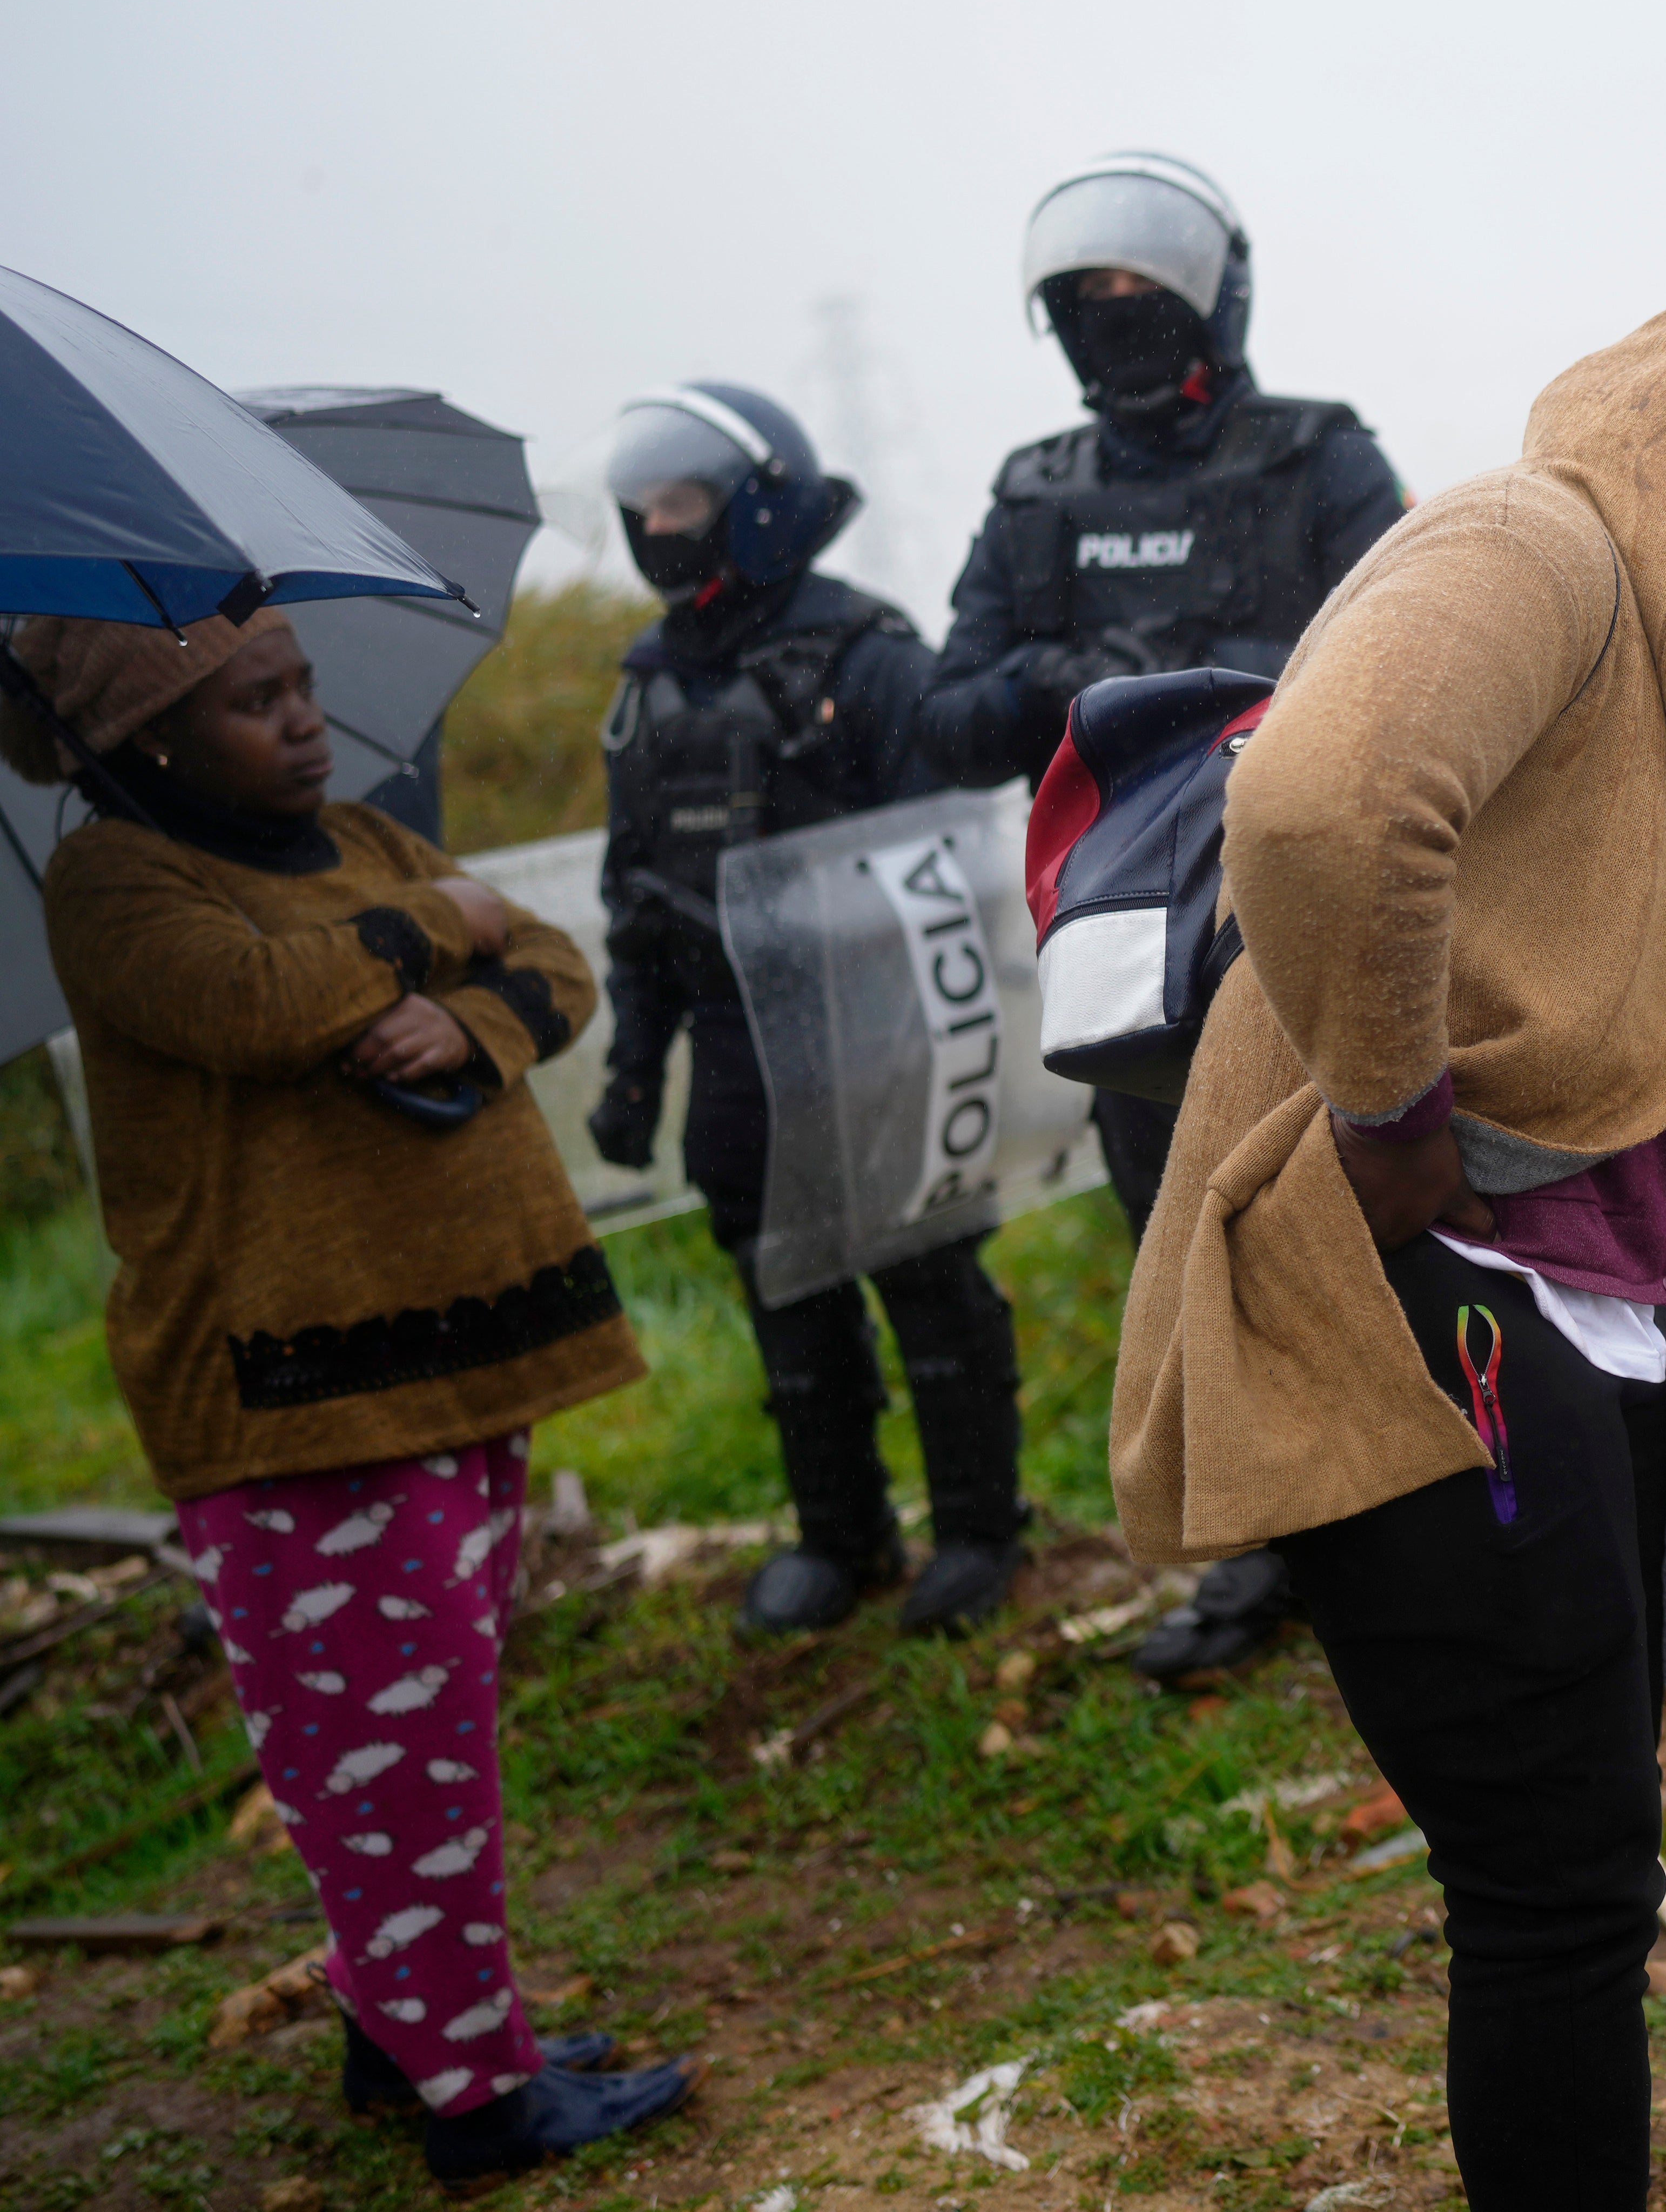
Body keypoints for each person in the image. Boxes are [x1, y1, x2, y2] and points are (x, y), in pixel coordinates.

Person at [1113, 286, 1666, 2210]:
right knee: (1559, 1895)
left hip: (1592, 1314)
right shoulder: (1535, 545)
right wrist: (1395, 1114)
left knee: (1579, 1857)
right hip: (1439, 1302)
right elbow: (1326, 801)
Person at [11, 606, 701, 2191]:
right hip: (295, 1390)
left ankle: (412, 2035)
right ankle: (482, 2099)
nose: (304, 721)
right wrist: (430, 923)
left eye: (301, 685)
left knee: (430, 1728)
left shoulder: (362, 832)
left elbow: (557, 963)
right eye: (255, 700)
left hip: (460, 1355)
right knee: (382, 1749)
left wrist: (462, 1008)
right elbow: (252, 1002)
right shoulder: (118, 879)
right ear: (150, 736)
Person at [918, 151, 1410, 1684]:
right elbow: (948, 715)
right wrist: (1093, 684)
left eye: (1143, 294)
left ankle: (1406, 1530)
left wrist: (1233, 669)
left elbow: (1408, 649)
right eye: (1086, 303)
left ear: (1213, 299)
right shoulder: (1037, 497)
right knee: (1178, 1226)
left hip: (1309, 900)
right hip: (1122, 927)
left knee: (1370, 1201)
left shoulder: (1318, 457)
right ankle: (1263, 1552)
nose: (1115, 321)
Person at [582, 383, 1027, 1639]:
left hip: (877, 1029)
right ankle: (839, 1533)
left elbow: (958, 861)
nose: (659, 526)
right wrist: (632, 1068)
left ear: (760, 504)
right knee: (784, 1288)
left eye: (684, 501)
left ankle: (980, 1528)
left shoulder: (869, 655)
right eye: (643, 506)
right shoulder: (647, 686)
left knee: (927, 1274)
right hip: (731, 1042)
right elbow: (635, 899)